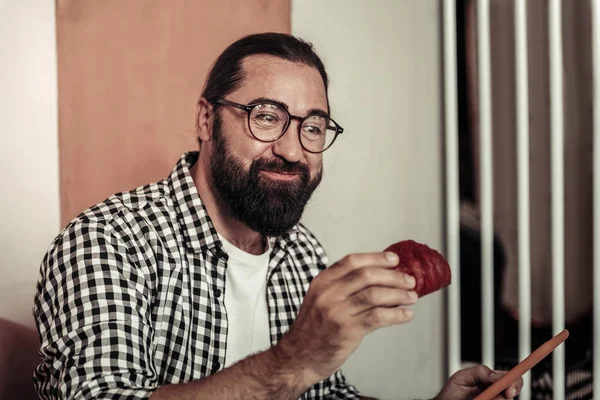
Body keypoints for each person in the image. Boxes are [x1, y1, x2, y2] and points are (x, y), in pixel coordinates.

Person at [33, 32, 522, 400]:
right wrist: (291, 359)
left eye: (313, 126)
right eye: (266, 116)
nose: (292, 149)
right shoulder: (109, 241)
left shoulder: (302, 251)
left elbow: (326, 397)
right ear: (207, 121)